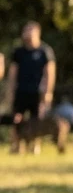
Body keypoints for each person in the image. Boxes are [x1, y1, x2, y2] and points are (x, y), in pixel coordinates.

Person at [5, 22, 56, 154]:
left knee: (36, 120)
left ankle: (35, 145)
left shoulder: (45, 51)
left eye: (30, 31)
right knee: (17, 119)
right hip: (21, 91)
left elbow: (50, 73)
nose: (27, 34)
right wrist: (10, 91)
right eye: (25, 31)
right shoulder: (19, 52)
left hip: (37, 92)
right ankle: (16, 145)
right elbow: (12, 73)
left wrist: (48, 92)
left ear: (37, 33)